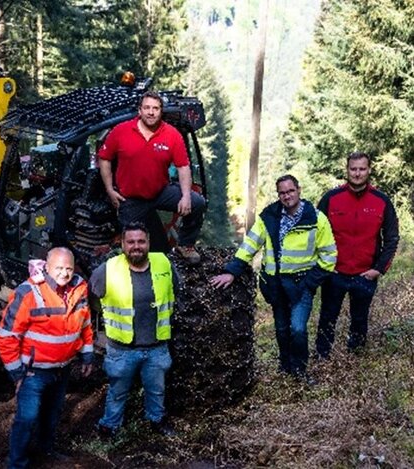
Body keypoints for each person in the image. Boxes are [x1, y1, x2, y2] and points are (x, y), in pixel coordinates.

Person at [210, 175, 337, 382]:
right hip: (275, 284)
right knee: (281, 328)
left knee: (297, 328)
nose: (287, 196)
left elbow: (329, 256)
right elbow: (250, 245)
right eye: (282, 193)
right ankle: (285, 366)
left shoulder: (315, 219)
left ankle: (300, 370)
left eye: (290, 191)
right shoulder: (269, 216)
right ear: (278, 195)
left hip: (302, 284)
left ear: (299, 190)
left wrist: (310, 283)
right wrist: (232, 270)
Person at [0, 247, 93, 468]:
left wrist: (87, 354)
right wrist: (17, 373)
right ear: (47, 268)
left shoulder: (79, 288)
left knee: (53, 412)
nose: (64, 273)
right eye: (59, 268)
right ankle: (17, 462)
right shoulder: (29, 292)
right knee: (27, 418)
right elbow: (6, 336)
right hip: (33, 371)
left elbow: (85, 324)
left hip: (62, 368)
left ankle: (46, 451)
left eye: (69, 268)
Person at [98, 90, 206, 264]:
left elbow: (183, 167)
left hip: (160, 191)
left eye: (155, 108)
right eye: (147, 107)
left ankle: (185, 245)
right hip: (131, 199)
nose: (151, 112)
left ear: (161, 111)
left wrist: (185, 196)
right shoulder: (121, 131)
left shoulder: (171, 134)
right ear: (139, 110)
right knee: (135, 246)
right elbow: (104, 159)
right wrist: (110, 189)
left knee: (197, 202)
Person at [90, 222, 178, 437]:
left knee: (157, 390)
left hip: (156, 346)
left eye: (141, 241)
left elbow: (175, 291)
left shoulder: (164, 263)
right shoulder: (107, 269)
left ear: (148, 242)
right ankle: (109, 427)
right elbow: (92, 300)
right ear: (122, 244)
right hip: (121, 350)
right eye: (130, 242)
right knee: (117, 392)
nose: (136, 246)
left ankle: (156, 421)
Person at [315, 152, 399, 358]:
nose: (358, 173)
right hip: (335, 273)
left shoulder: (382, 201)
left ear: (369, 170)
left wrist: (378, 269)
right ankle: (322, 358)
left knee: (359, 320)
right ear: (347, 170)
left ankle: (355, 361)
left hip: (365, 273)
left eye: (362, 169)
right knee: (327, 317)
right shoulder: (330, 198)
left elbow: (392, 238)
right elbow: (314, 234)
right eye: (353, 169)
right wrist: (325, 266)